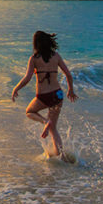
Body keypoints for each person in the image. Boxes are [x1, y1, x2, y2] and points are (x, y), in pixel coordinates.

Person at [11, 30, 78, 162]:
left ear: (36, 44)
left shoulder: (34, 59)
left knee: (29, 111)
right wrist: (71, 90)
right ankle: (61, 156)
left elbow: (27, 77)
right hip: (57, 95)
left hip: (43, 96)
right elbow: (68, 74)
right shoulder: (56, 56)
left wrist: (16, 88)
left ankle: (45, 121)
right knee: (53, 129)